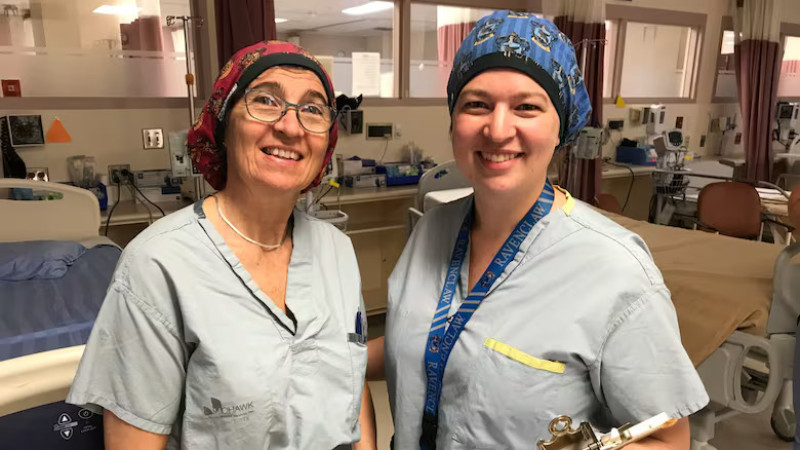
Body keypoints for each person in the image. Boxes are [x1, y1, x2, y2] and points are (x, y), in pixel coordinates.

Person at [370, 11, 709, 449]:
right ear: (453, 120)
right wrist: (319, 359)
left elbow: (669, 440)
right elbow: (423, 342)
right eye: (476, 104)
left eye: (527, 107)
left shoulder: (615, 271)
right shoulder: (431, 231)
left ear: (561, 127)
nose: (497, 129)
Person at [67, 41, 375, 450]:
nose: (290, 126)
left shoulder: (337, 250)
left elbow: (353, 393)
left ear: (327, 141)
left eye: (314, 109)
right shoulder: (158, 265)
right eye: (266, 100)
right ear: (222, 124)